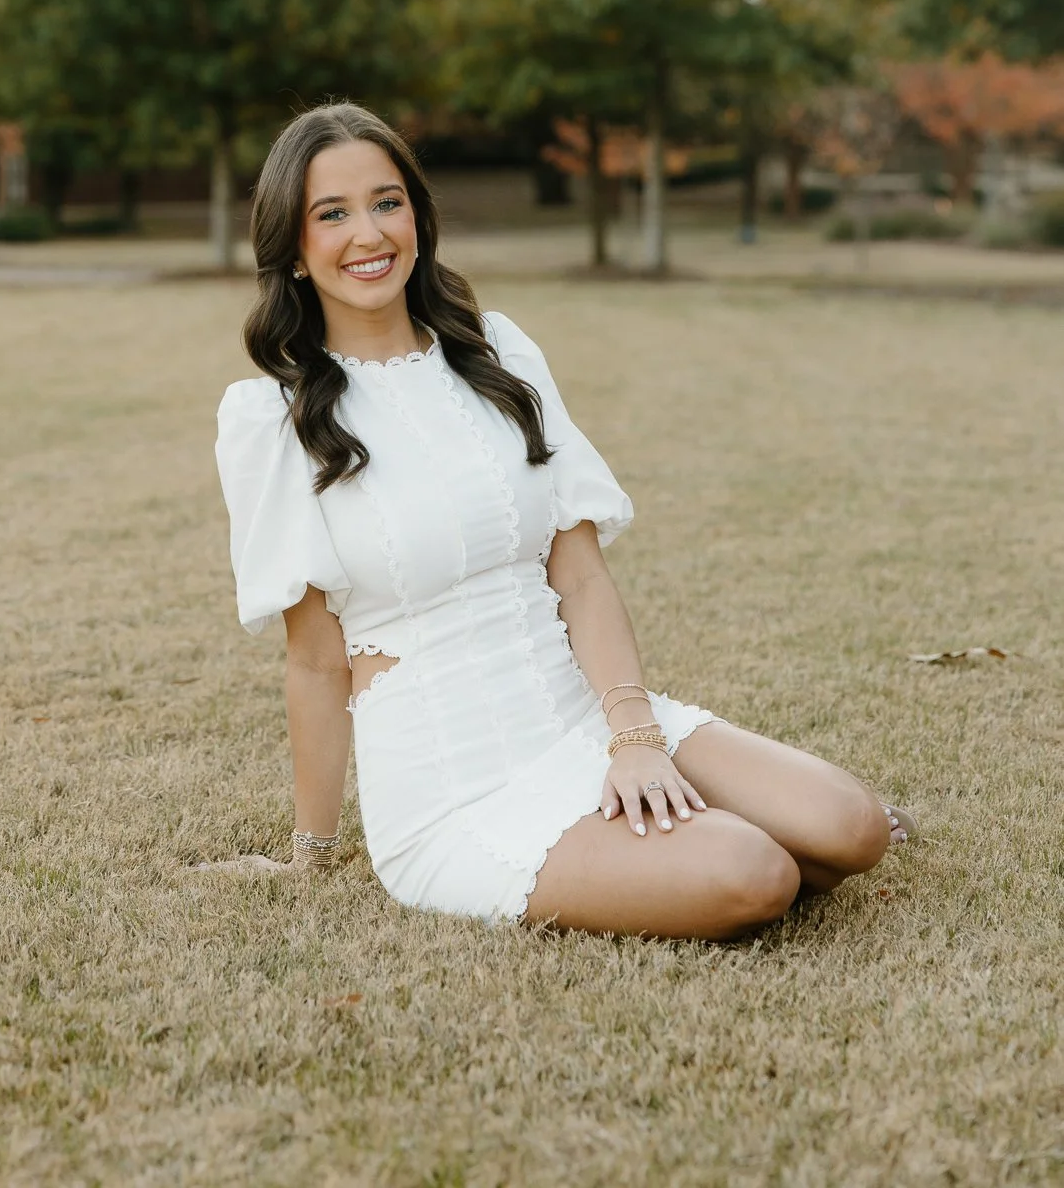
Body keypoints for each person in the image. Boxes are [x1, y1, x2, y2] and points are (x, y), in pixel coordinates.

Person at [214, 103, 909, 938]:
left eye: (386, 202)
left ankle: (694, 835)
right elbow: (316, 662)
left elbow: (578, 575)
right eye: (331, 214)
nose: (368, 233)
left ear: (418, 217)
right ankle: (704, 850)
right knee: (753, 873)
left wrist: (634, 738)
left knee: (852, 828)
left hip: (578, 713)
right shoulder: (274, 418)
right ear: (293, 249)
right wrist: (312, 852)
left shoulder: (497, 355)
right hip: (455, 783)